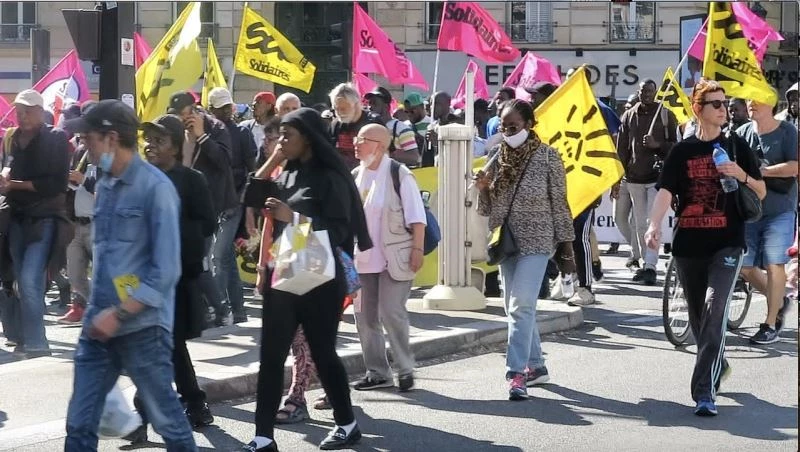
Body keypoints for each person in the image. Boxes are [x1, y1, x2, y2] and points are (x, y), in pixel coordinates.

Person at [62, 100, 196, 451]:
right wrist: (100, 311)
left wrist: (120, 314)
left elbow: (166, 270)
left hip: (143, 328)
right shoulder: (104, 182)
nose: (83, 146)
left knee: (169, 423)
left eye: (88, 139)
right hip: (99, 324)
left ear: (110, 138)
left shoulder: (156, 188)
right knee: (79, 422)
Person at [242, 108, 372, 451]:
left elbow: (341, 232)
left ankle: (347, 423)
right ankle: (262, 437)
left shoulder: (331, 176)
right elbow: (251, 198)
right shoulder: (288, 173)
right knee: (271, 355)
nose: (281, 140)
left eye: (288, 135)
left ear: (309, 139)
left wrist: (294, 217)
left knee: (323, 353)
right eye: (279, 135)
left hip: (321, 279)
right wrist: (272, 160)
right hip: (284, 272)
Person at [644, 79, 765, 417]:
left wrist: (741, 174)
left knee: (715, 309)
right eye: (715, 104)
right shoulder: (682, 151)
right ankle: (717, 364)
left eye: (725, 103)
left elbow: (762, 191)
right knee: (700, 319)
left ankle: (704, 392)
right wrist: (654, 225)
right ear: (698, 109)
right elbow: (666, 192)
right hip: (688, 244)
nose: (723, 109)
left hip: (728, 242)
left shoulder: (739, 146)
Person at [122, 114, 218, 443]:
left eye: (159, 141)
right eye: (147, 140)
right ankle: (172, 407)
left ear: (175, 147)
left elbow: (208, 224)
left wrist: (170, 229)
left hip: (175, 278)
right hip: (141, 278)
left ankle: (177, 406)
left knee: (168, 346)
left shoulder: (191, 180)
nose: (150, 146)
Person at [474, 100, 574, 400]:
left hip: (539, 241)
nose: (507, 132)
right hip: (507, 242)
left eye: (513, 127)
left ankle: (516, 374)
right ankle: (537, 365)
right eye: (503, 127)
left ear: (529, 124)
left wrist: (567, 251)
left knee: (521, 307)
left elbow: (560, 205)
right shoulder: (496, 157)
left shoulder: (547, 158)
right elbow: (489, 210)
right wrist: (484, 190)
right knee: (512, 308)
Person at [351, 124, 426, 393]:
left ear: (380, 146)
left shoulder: (398, 173)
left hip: (395, 257)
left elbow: (417, 218)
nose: (356, 144)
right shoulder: (356, 175)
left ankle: (405, 368)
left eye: (362, 140)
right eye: (357, 139)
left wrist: (417, 250)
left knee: (391, 312)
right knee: (365, 317)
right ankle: (378, 372)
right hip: (362, 260)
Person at [0, 89, 71, 358]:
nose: (22, 115)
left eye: (28, 110)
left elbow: (56, 184)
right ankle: (23, 337)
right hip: (15, 218)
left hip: (44, 219)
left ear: (41, 112)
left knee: (29, 280)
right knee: (18, 280)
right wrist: (5, 179)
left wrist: (14, 184)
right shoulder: (10, 138)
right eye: (19, 109)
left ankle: (37, 342)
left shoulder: (56, 138)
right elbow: (8, 166)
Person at [168, 91, 241, 324]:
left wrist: (201, 137)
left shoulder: (215, 128)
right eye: (177, 115)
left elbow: (224, 161)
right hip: (182, 205)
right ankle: (220, 308)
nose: (182, 119)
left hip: (212, 205)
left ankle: (221, 309)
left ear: (194, 109)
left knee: (206, 260)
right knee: (210, 259)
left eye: (185, 113)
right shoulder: (175, 132)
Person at [736, 97, 798, 344]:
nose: (751, 103)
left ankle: (770, 323)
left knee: (775, 264)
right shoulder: (740, 133)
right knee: (744, 266)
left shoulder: (787, 131)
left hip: (780, 209)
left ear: (771, 103)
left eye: (757, 99)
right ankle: (780, 300)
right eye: (749, 100)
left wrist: (763, 171)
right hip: (750, 211)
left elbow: (795, 166)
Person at [616, 79, 679, 285]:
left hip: (656, 178)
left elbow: (675, 148)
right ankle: (645, 263)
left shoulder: (665, 114)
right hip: (633, 177)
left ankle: (651, 266)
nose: (646, 94)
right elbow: (622, 149)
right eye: (643, 91)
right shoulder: (628, 115)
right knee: (639, 225)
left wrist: (657, 145)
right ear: (638, 91)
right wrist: (618, 176)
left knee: (653, 223)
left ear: (656, 92)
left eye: (650, 91)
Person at [207, 87, 257, 323]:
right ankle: (239, 310)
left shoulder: (242, 134)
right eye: (220, 108)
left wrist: (243, 197)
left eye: (227, 107)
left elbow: (252, 170)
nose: (225, 112)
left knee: (217, 256)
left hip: (234, 202)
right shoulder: (206, 134)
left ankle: (219, 309)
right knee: (225, 257)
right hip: (213, 202)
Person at [59, 133, 97, 325]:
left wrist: (84, 181)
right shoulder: (81, 152)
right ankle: (89, 307)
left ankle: (99, 310)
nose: (83, 140)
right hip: (76, 223)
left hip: (96, 224)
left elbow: (108, 195)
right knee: (74, 273)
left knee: (100, 272)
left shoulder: (109, 159)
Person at [329, 82, 382, 170]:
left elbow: (385, 153)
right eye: (335, 109)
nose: (338, 113)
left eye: (343, 109)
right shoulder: (336, 125)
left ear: (356, 105)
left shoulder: (373, 123)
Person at [364, 87, 420, 166]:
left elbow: (414, 157)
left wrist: (387, 154)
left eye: (374, 103)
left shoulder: (401, 129)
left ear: (386, 107)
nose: (370, 107)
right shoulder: (367, 129)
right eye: (369, 104)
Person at [241, 91, 277, 163]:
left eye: (258, 102)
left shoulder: (277, 129)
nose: (254, 105)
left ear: (269, 106)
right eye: (254, 102)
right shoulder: (244, 127)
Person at [424, 91, 456, 167]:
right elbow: (426, 159)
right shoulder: (431, 127)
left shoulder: (457, 125)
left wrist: (439, 142)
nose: (432, 107)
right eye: (431, 104)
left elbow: (459, 152)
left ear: (447, 104)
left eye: (436, 104)